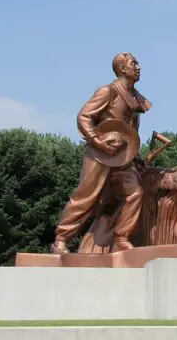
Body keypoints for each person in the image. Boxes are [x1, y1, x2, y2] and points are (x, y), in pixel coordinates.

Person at [51, 52, 151, 254]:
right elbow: (84, 117)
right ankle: (61, 240)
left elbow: (131, 131)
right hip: (101, 154)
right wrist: (97, 141)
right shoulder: (108, 91)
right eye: (134, 63)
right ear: (122, 68)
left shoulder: (135, 98)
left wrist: (136, 156)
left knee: (135, 193)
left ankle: (121, 238)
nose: (139, 67)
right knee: (85, 197)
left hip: (123, 158)